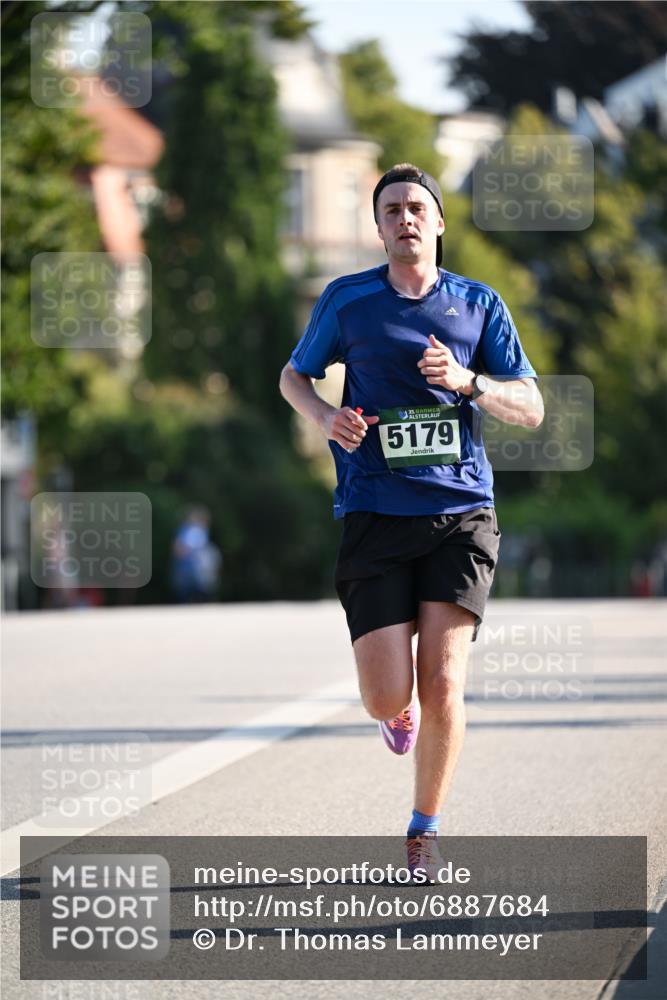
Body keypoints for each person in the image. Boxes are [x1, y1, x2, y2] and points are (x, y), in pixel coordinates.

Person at [279, 163, 543, 878]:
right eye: (391, 208)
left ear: (438, 222)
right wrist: (326, 417)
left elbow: (531, 405)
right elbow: (292, 376)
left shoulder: (477, 304)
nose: (405, 218)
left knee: (445, 681)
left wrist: (468, 382)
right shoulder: (349, 300)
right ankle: (395, 715)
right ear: (378, 226)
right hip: (373, 510)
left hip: (461, 513)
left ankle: (423, 829)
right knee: (386, 692)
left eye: (416, 207)